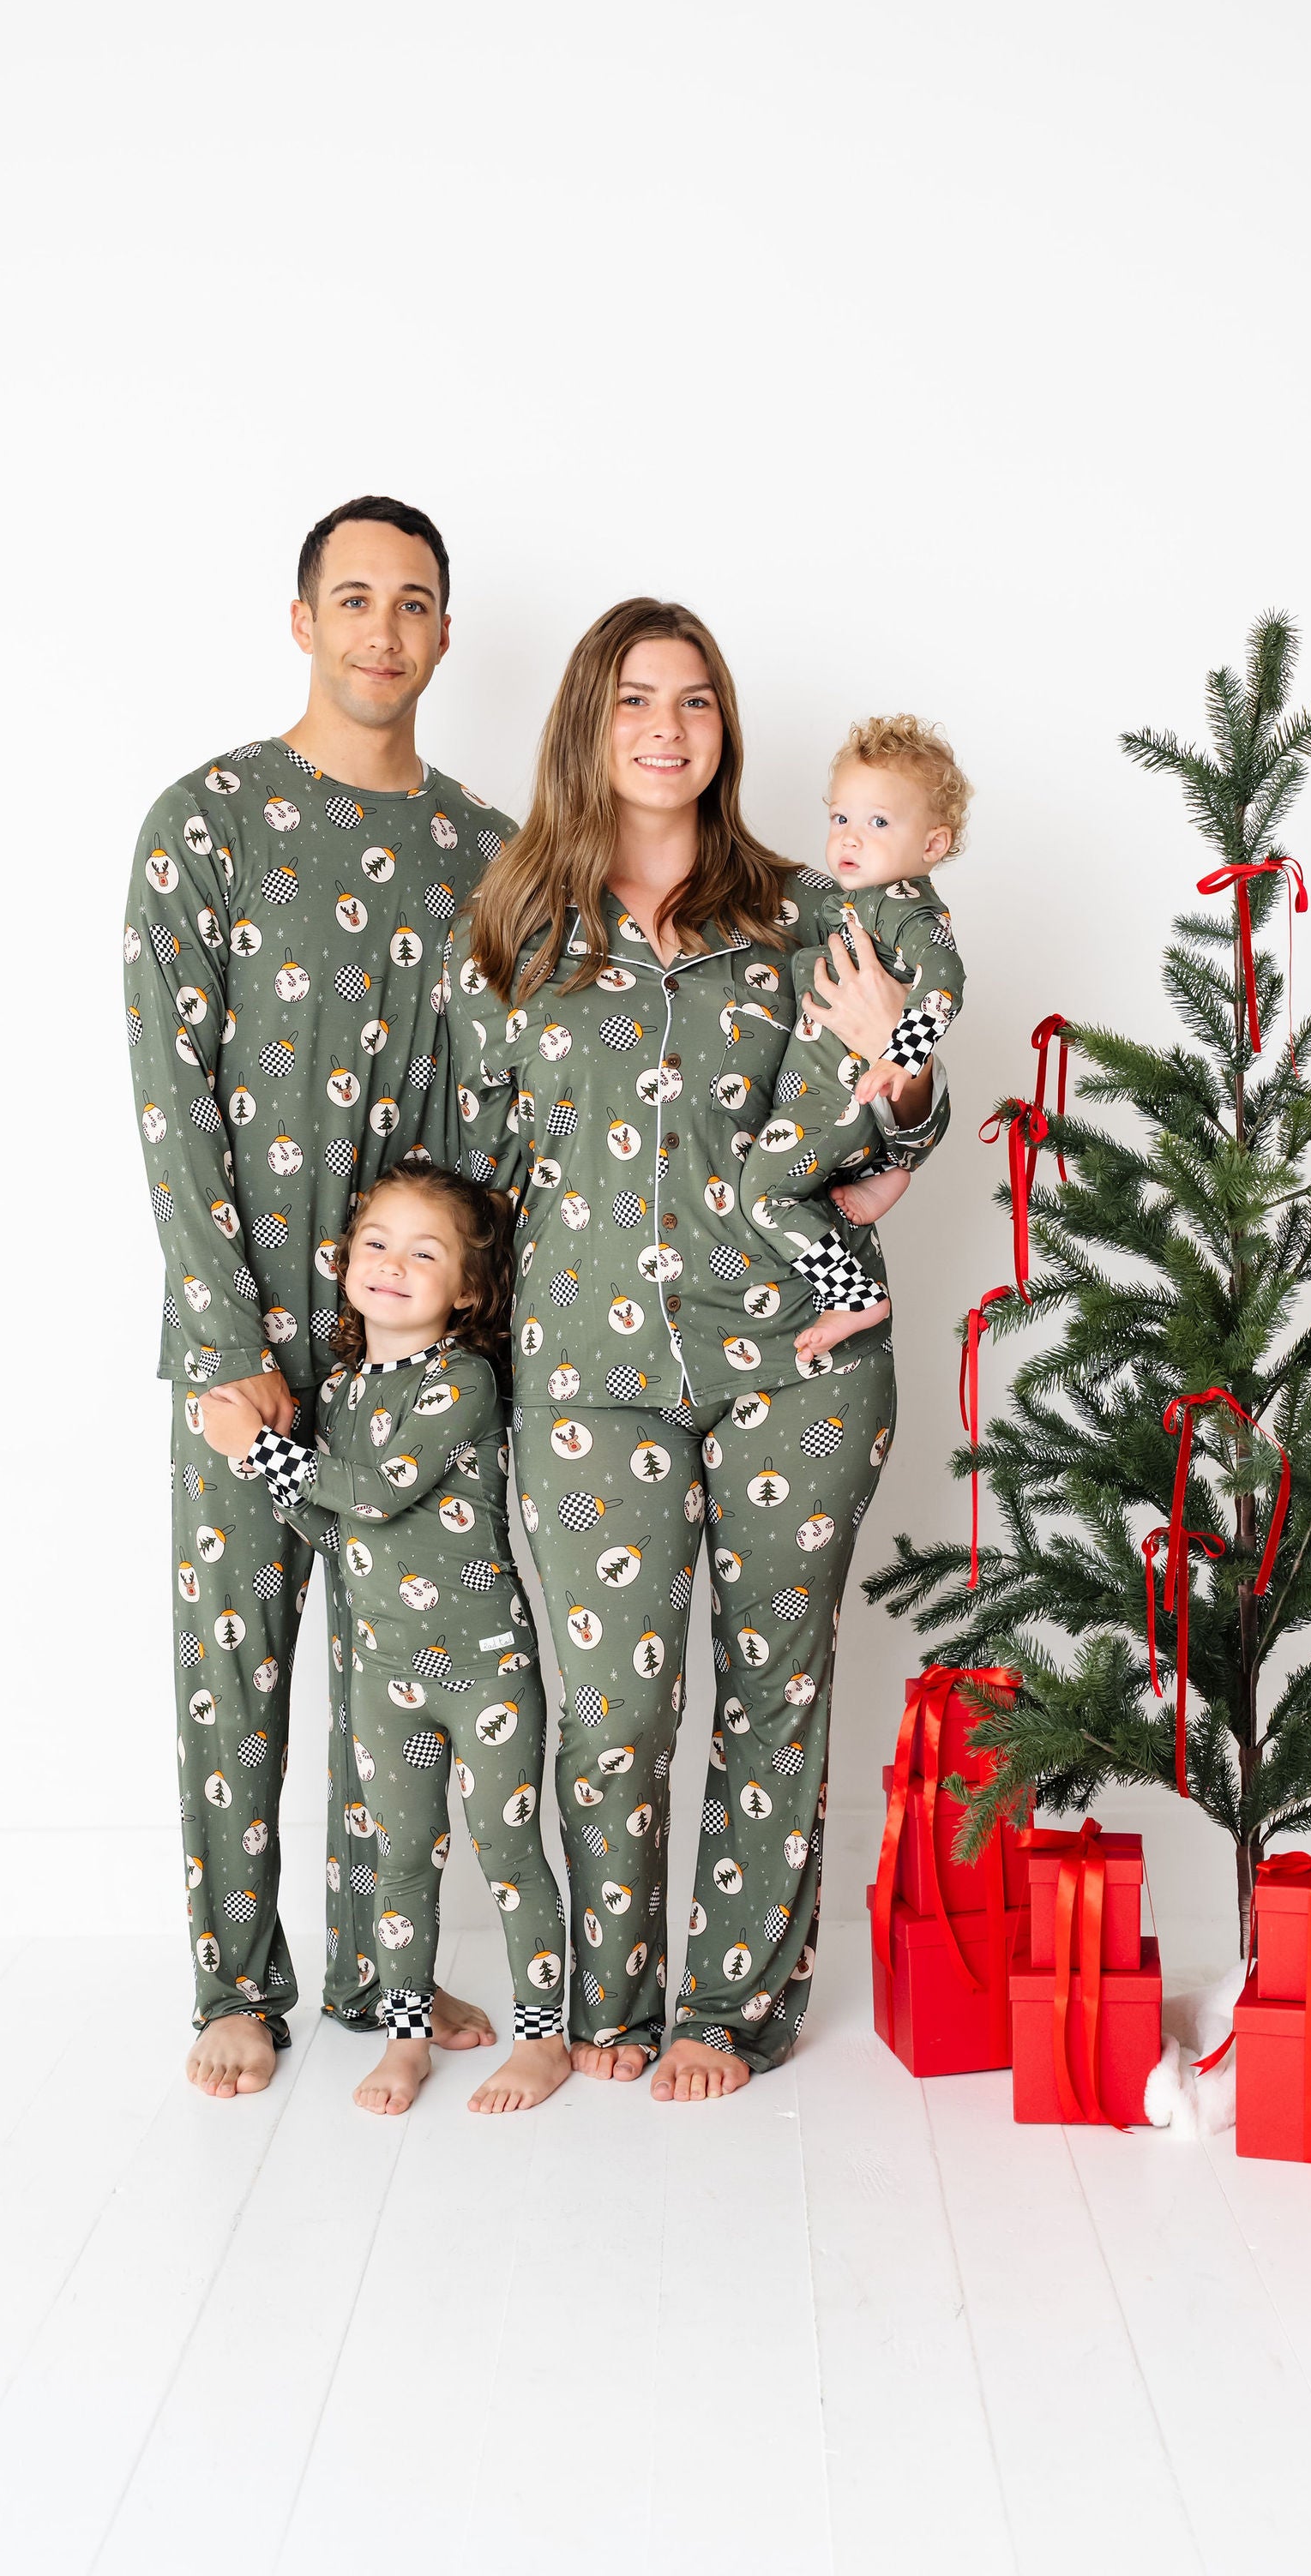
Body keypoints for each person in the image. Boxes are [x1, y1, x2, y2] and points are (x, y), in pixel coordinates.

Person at [449, 597, 949, 2099]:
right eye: (633, 700)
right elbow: (481, 1164)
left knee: (773, 1690)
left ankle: (726, 2012)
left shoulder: (816, 908)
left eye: (695, 701)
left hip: (796, 1356)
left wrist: (900, 1076)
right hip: (584, 1371)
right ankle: (610, 1995)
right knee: (611, 1708)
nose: (666, 727)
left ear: (722, 730)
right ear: (586, 725)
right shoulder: (516, 926)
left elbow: (902, 1111)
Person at [124, 495, 503, 2098]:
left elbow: (493, 1107)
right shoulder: (204, 818)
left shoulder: (484, 852)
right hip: (249, 1331)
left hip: (413, 1345)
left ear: (441, 632)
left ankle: (379, 1976)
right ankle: (234, 1977)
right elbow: (169, 1085)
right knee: (235, 1655)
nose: (381, 628)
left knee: (392, 1666)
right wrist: (224, 1335)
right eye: (351, 597)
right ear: (301, 619)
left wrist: (469, 1342)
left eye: (412, 601)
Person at [201, 1166, 569, 2117]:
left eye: (424, 1251)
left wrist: (258, 1447)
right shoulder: (344, 1391)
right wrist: (283, 1469)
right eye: (376, 1242)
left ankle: (543, 2040)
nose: (392, 1264)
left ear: (469, 1290)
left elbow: (376, 1491)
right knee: (400, 1862)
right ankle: (405, 2038)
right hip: (386, 1676)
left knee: (508, 1851)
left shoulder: (466, 1380)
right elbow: (340, 1532)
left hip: (485, 1672)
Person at [734, 713, 971, 1360]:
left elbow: (945, 977)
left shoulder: (906, 908)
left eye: (878, 822)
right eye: (841, 818)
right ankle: (887, 1171)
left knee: (763, 1194)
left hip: (837, 1094)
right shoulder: (848, 901)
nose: (851, 837)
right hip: (839, 1099)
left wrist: (902, 1049)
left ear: (932, 845)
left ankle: (853, 1295)